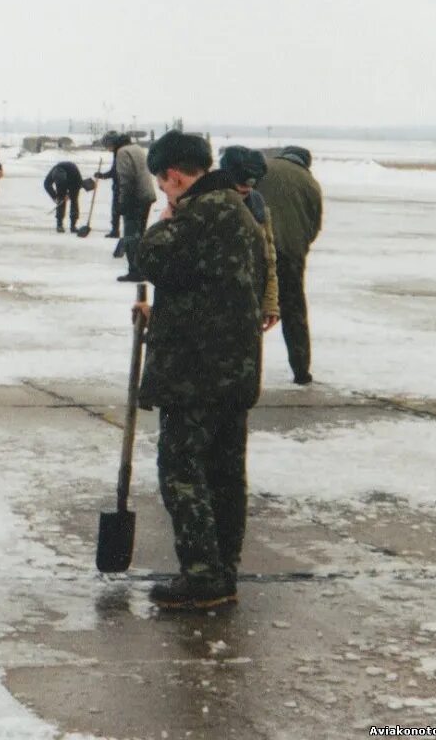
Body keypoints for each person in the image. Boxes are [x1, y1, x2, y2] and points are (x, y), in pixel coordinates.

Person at [134, 131, 267, 611]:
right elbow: (217, 283)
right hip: (235, 367)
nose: (166, 194)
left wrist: (164, 221)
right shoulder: (240, 211)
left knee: (182, 470)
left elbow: (150, 259)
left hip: (196, 372)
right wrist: (169, 312)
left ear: (174, 175)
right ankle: (222, 569)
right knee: (226, 474)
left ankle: (202, 575)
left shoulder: (201, 213)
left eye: (164, 186)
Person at [257, 146, 322, 384]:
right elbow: (314, 225)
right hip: (291, 255)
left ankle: (248, 369)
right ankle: (301, 369)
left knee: (251, 310)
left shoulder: (263, 168)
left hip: (258, 250)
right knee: (295, 312)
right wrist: (298, 247)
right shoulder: (310, 183)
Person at [218, 146, 280, 336]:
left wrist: (270, 303)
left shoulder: (257, 205)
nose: (243, 195)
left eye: (248, 191)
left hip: (248, 305)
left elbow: (268, 257)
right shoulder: (203, 203)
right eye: (239, 190)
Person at [114, 135, 158, 281]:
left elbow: (126, 179)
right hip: (147, 194)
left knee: (131, 235)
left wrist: (122, 202)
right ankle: (143, 269)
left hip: (135, 198)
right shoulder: (137, 148)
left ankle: (135, 271)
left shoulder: (122, 152)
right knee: (140, 233)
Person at [42, 160, 90, 233]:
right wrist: (54, 197)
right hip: (61, 183)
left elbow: (78, 185)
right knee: (60, 201)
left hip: (73, 182)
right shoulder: (53, 172)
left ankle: (73, 226)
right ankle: (59, 225)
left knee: (74, 201)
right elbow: (46, 184)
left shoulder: (74, 172)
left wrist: (69, 195)